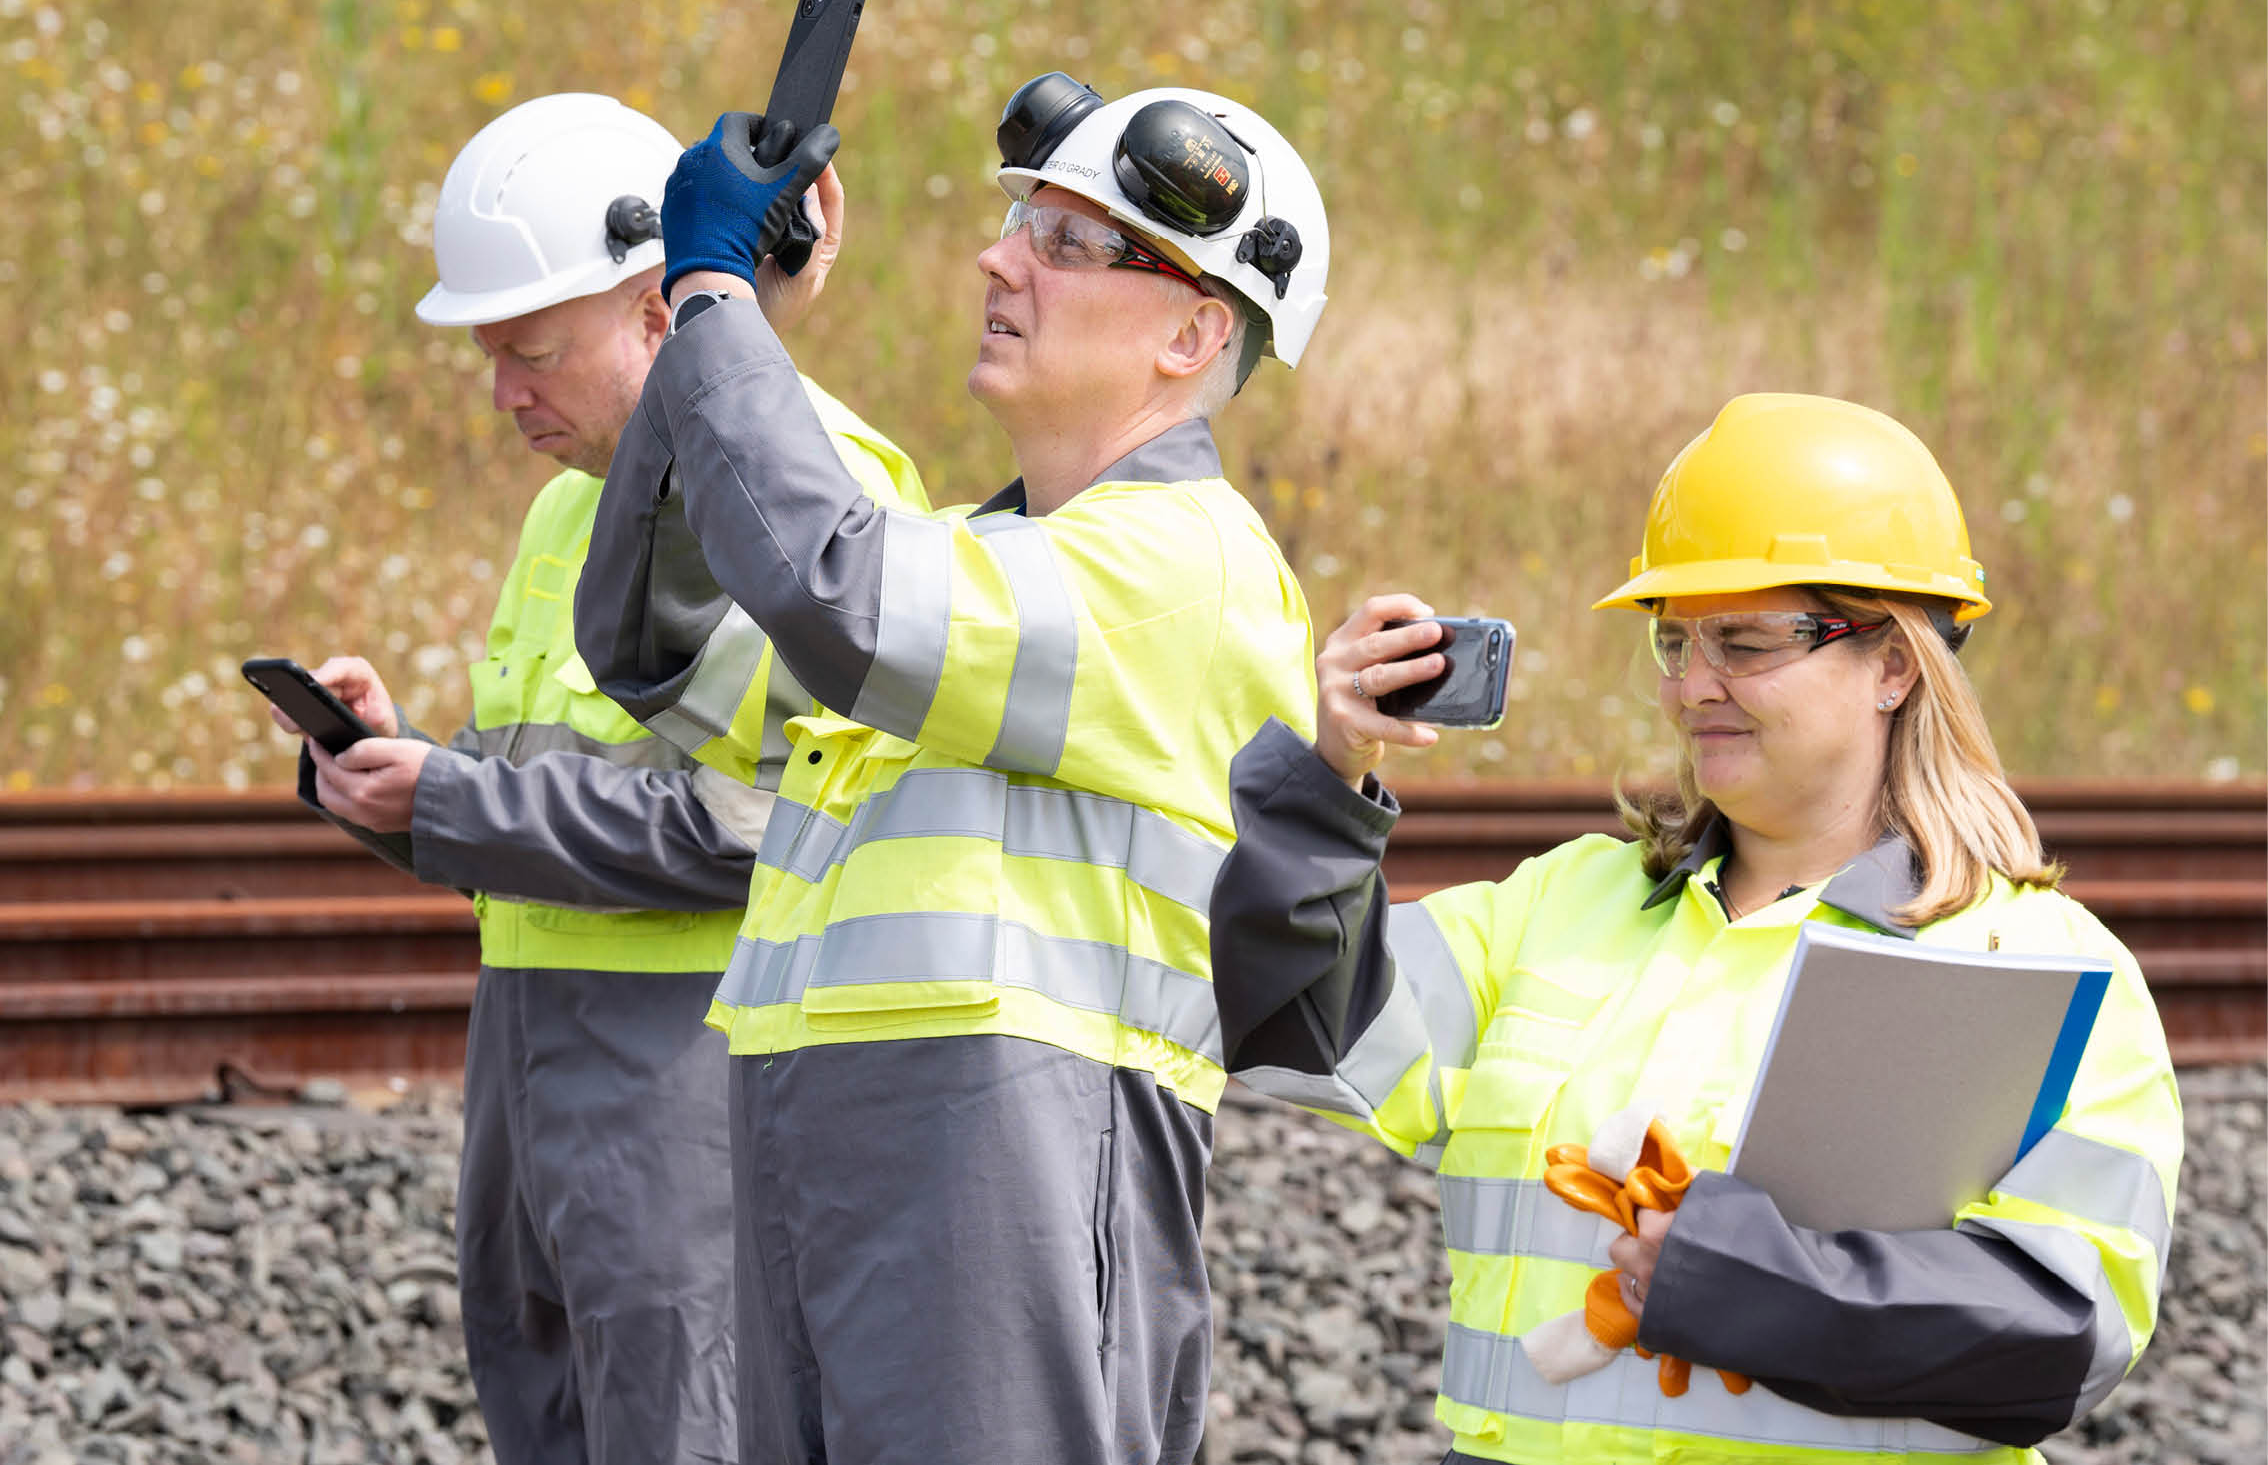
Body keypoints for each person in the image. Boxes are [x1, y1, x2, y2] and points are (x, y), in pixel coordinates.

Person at [570, 75, 1331, 1464]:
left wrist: (724, 303)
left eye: (1068, 241)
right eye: (1019, 223)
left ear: (1195, 329)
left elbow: (839, 592)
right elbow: (657, 644)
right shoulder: (981, 576)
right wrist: (711, 336)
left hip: (1006, 1160)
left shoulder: (1182, 565)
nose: (999, 259)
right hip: (838, 1152)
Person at [1207, 392, 2183, 1465]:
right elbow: (1308, 1042)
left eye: (1747, 642)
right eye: (1676, 643)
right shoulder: (1562, 902)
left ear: (1896, 666)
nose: (1691, 688)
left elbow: (2060, 1335)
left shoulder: (2040, 964)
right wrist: (1327, 784)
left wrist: (1739, 1277)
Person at [266, 92, 927, 1464]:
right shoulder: (573, 503)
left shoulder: (814, 497)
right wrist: (407, 778)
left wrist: (449, 805)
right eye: (491, 356)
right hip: (533, 1065)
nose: (504, 392)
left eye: (530, 353)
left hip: (696, 1081)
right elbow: (549, 796)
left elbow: (764, 820)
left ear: (655, 311)